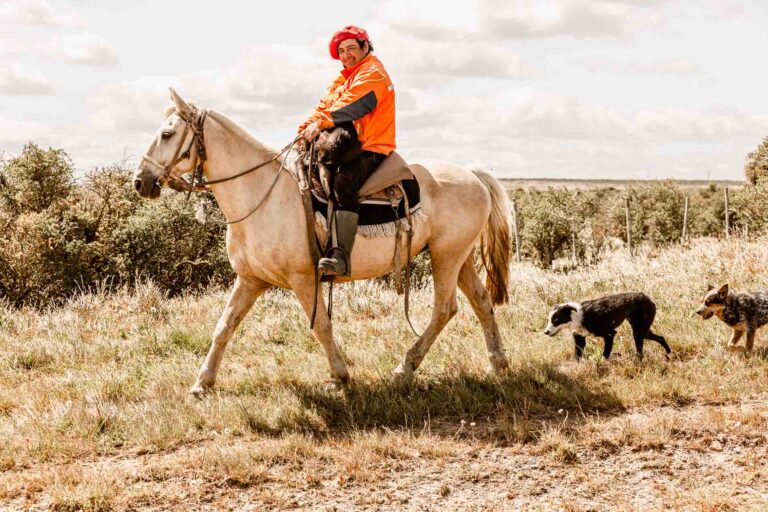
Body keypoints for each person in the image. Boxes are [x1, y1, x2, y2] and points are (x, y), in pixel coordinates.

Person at [298, 25, 396, 276]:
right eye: (341, 51)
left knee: (344, 182)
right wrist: (305, 129)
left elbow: (353, 106)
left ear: (366, 47)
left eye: (351, 48)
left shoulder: (373, 73)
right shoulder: (341, 79)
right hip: (344, 144)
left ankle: (340, 256)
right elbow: (323, 108)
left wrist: (321, 124)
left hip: (370, 146)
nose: (346, 54)